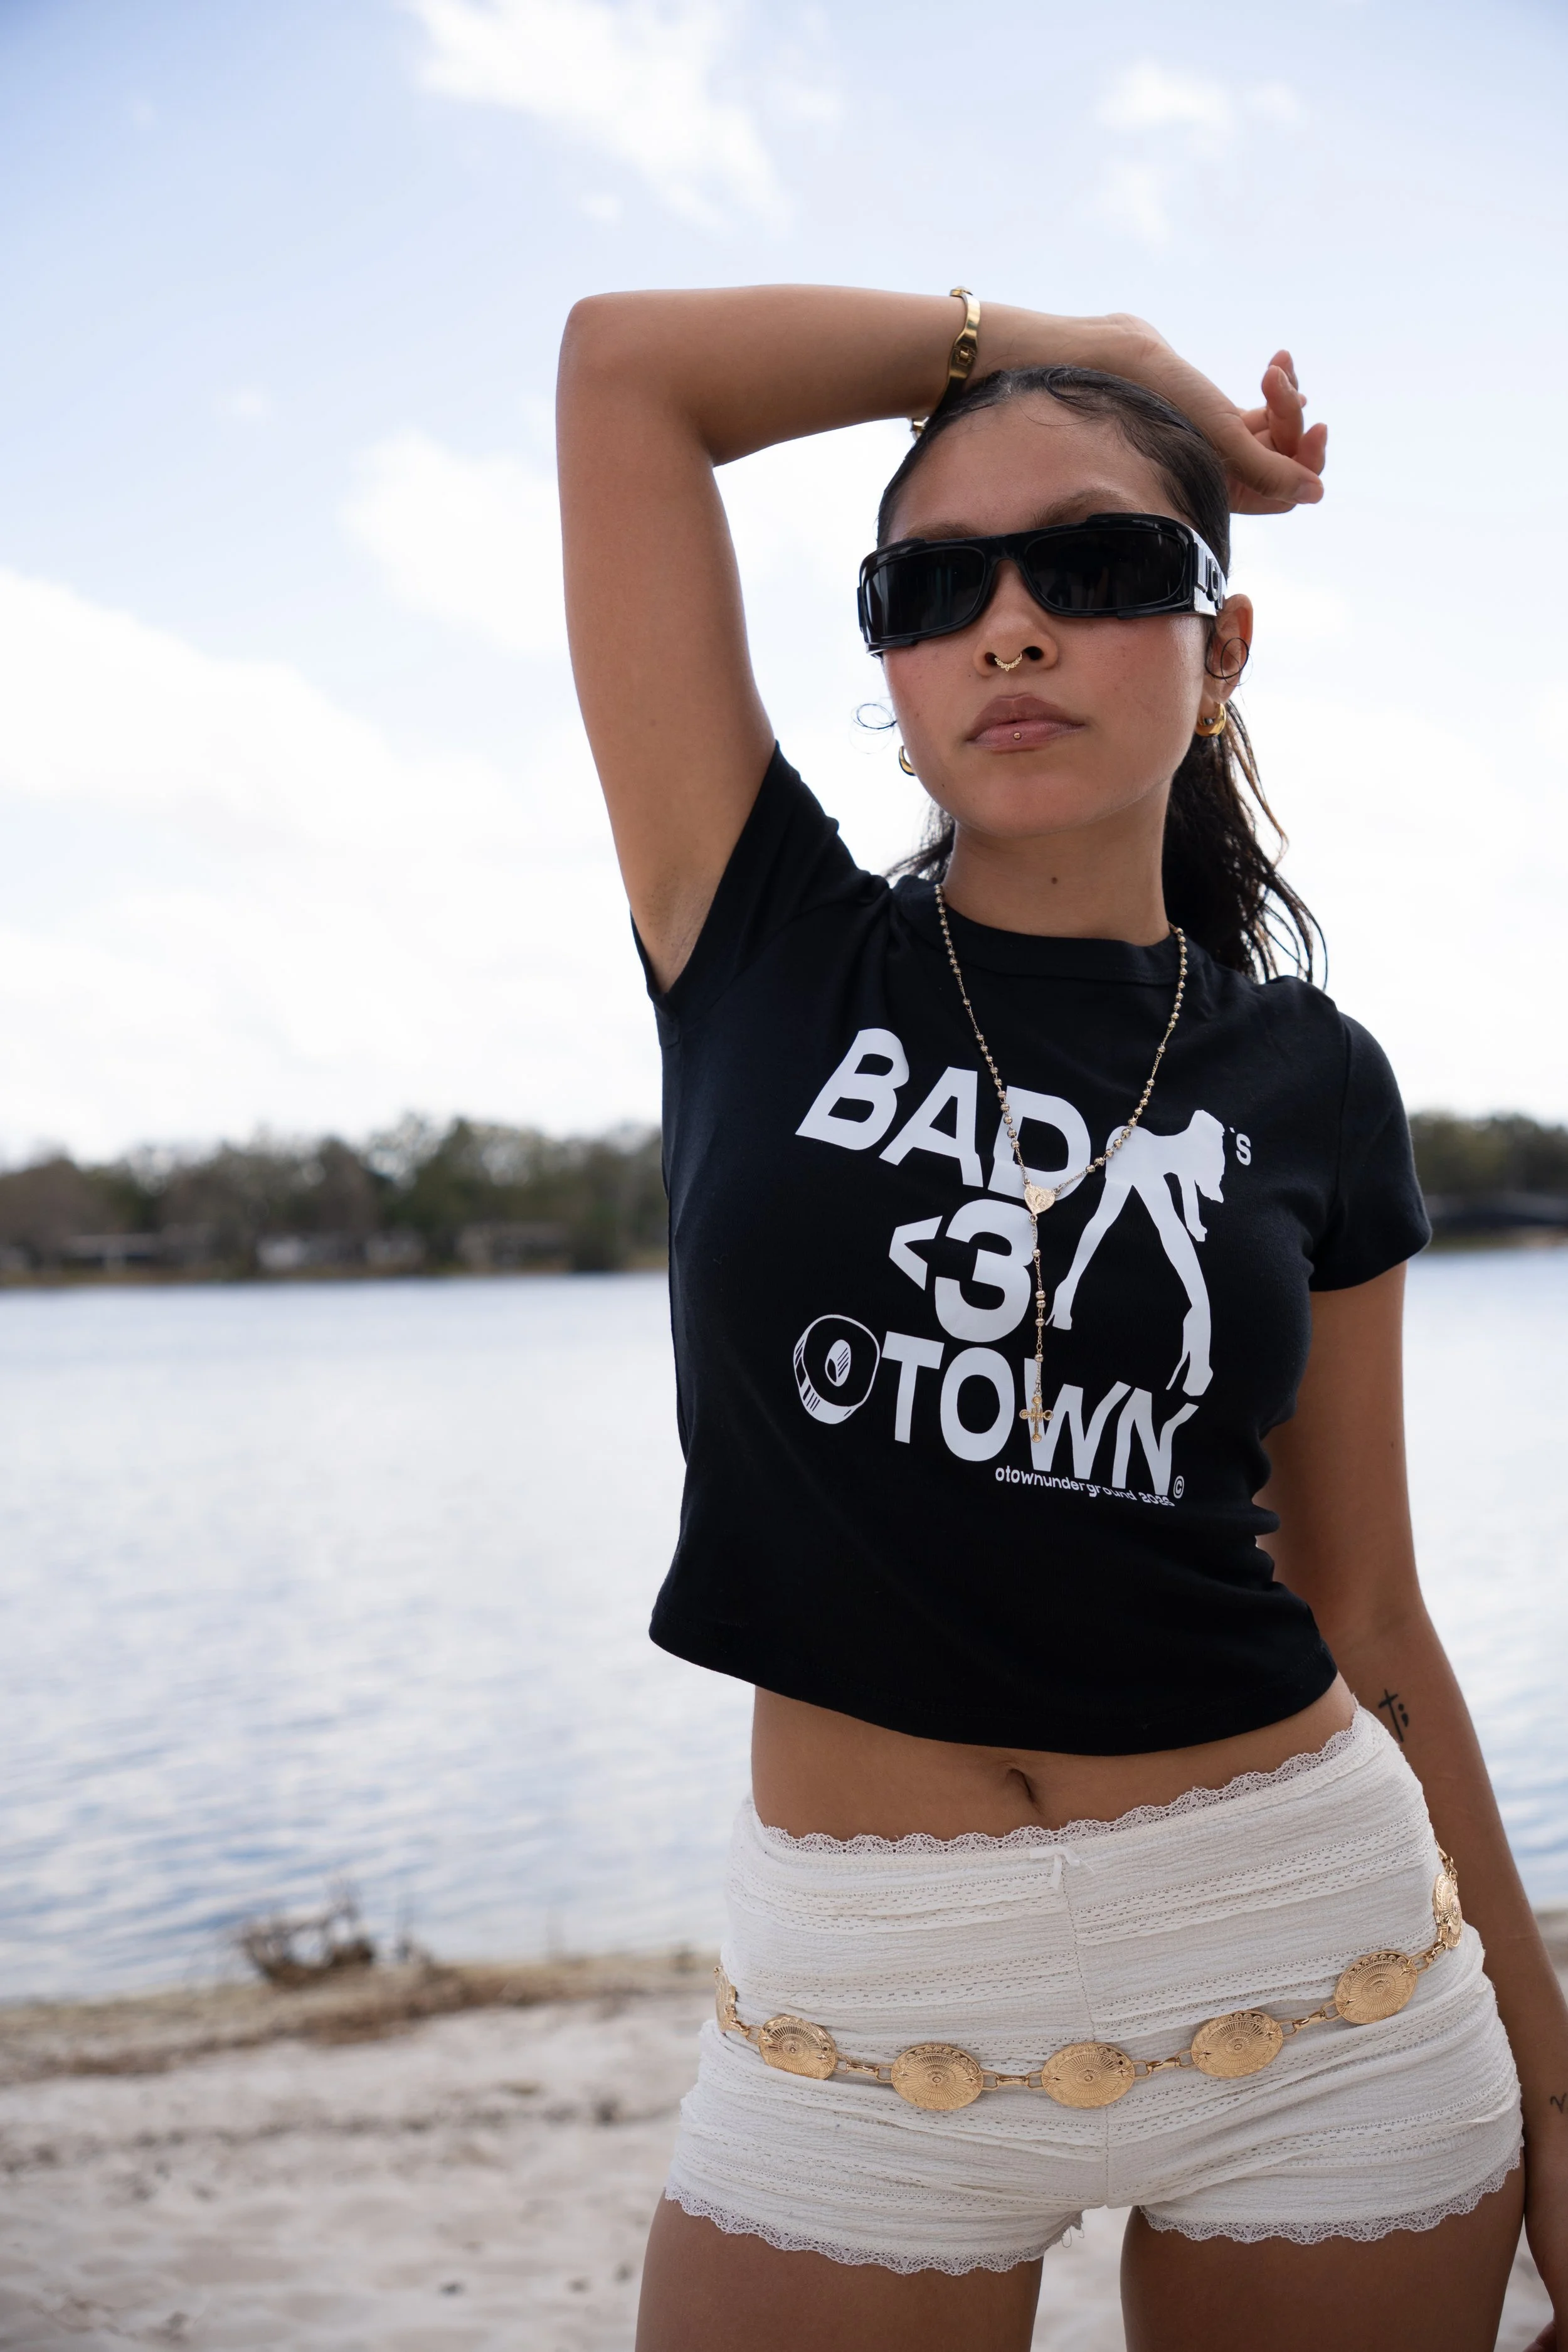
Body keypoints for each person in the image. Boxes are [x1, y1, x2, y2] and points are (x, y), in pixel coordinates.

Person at [555, 286, 1567, 2352]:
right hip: (861, 2006)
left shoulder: (1311, 1079)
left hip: (1320, 1976)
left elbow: (1366, 1614)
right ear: (897, 665)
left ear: (1221, 645)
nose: (1009, 625)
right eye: (933, 586)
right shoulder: (760, 941)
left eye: (1097, 564)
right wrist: (1087, 343)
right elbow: (623, 375)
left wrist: (1556, 2087)